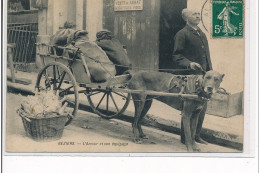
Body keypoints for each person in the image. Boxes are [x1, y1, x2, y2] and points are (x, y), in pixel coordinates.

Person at [172, 8, 213, 145]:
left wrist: (210, 72)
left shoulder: (201, 33)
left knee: (201, 107)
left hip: (204, 77)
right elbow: (176, 56)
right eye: (194, 14)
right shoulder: (182, 34)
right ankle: (186, 138)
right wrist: (189, 64)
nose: (197, 16)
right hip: (190, 78)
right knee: (188, 109)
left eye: (198, 14)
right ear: (185, 18)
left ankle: (196, 135)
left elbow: (206, 57)